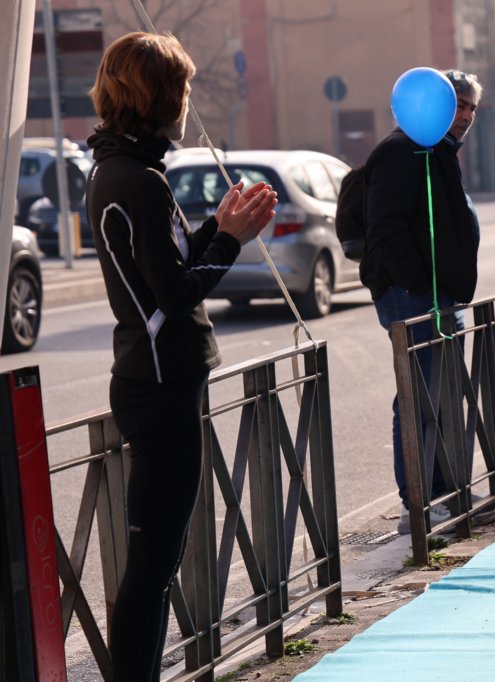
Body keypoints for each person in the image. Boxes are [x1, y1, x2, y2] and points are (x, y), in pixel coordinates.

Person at [86, 32, 277, 681]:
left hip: (157, 380)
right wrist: (230, 240)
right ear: (162, 95)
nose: (188, 100)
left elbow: (163, 271)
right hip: (160, 386)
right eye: (183, 87)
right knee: (153, 567)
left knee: (155, 563)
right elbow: (172, 295)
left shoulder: (127, 170)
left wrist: (215, 228)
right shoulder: (136, 180)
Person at [360, 69, 484, 534]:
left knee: (444, 395)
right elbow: (385, 225)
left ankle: (450, 494)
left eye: (471, 107)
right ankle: (419, 505)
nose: (465, 115)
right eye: (458, 105)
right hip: (412, 295)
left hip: (440, 294)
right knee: (419, 397)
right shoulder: (401, 150)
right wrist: (418, 284)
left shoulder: (437, 151)